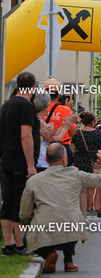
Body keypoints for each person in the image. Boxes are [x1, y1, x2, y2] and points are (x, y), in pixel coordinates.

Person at [19, 144, 101, 272]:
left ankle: (48, 253)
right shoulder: (75, 174)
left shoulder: (34, 181)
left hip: (44, 232)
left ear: (46, 160)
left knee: (25, 239)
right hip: (71, 234)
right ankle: (69, 261)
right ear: (64, 158)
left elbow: (25, 214)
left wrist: (29, 224)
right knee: (69, 214)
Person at [0, 72, 39, 255]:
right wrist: (30, 165)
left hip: (6, 158)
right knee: (19, 203)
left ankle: (8, 244)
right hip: (20, 160)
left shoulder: (6, 105)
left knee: (7, 201)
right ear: (33, 87)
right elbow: (26, 136)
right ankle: (20, 244)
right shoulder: (25, 106)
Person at [70, 111, 101, 220]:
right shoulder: (98, 134)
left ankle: (82, 213)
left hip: (80, 160)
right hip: (94, 162)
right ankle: (91, 208)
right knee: (93, 187)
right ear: (93, 122)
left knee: (82, 189)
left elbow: (72, 149)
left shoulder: (77, 133)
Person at [44, 78, 76, 165]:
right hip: (62, 147)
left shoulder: (39, 108)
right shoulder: (66, 110)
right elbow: (72, 132)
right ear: (59, 94)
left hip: (44, 147)